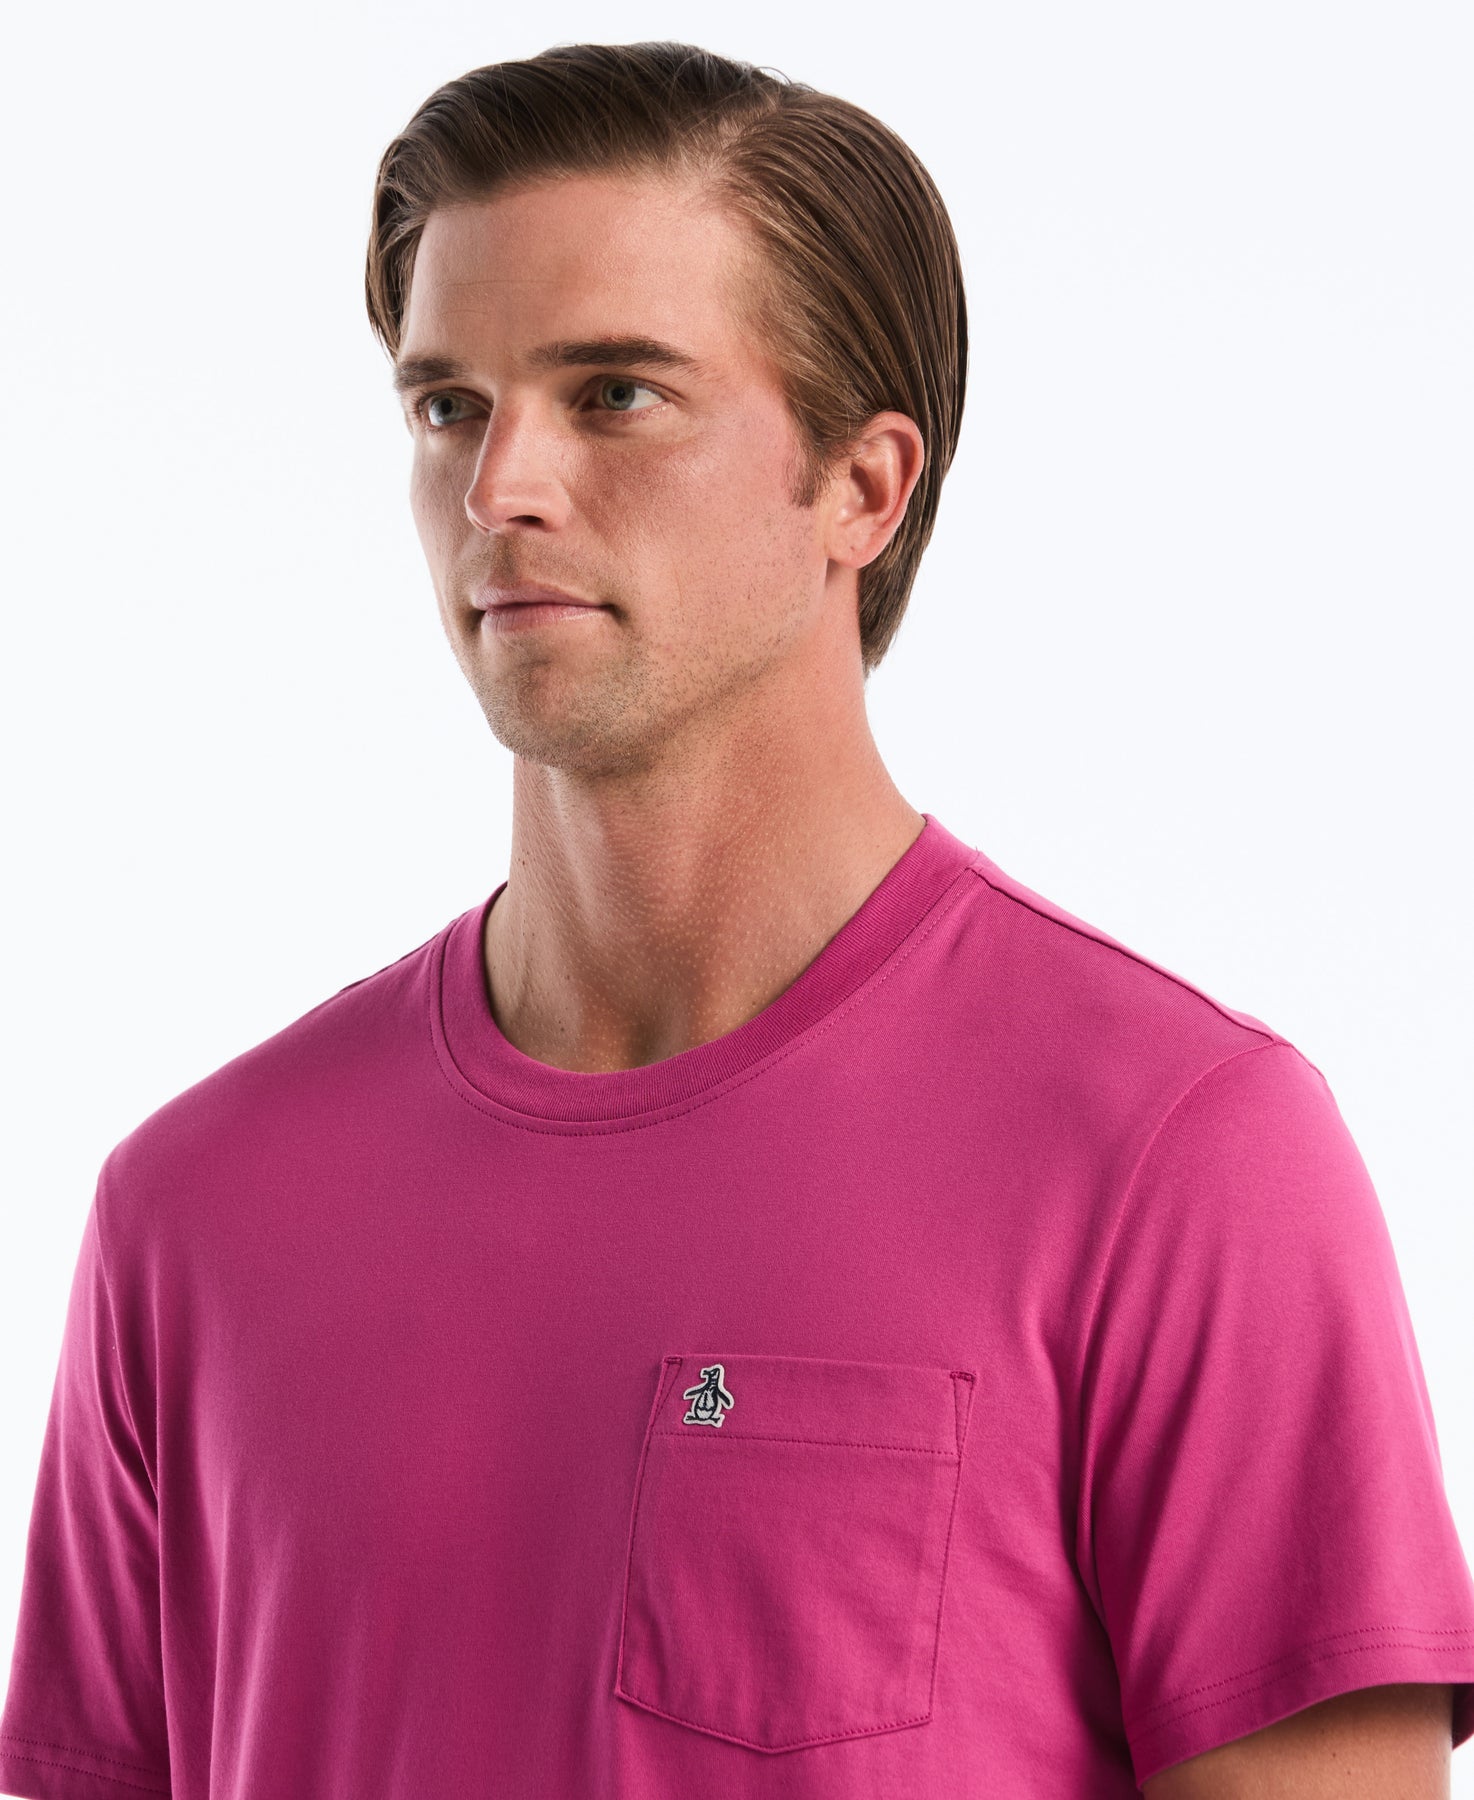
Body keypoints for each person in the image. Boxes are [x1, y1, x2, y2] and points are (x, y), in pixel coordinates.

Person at [1, 40, 1471, 1800]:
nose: (499, 488)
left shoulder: (1176, 1158)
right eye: (447, 405)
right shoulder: (194, 1215)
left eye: (614, 393)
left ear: (863, 486)